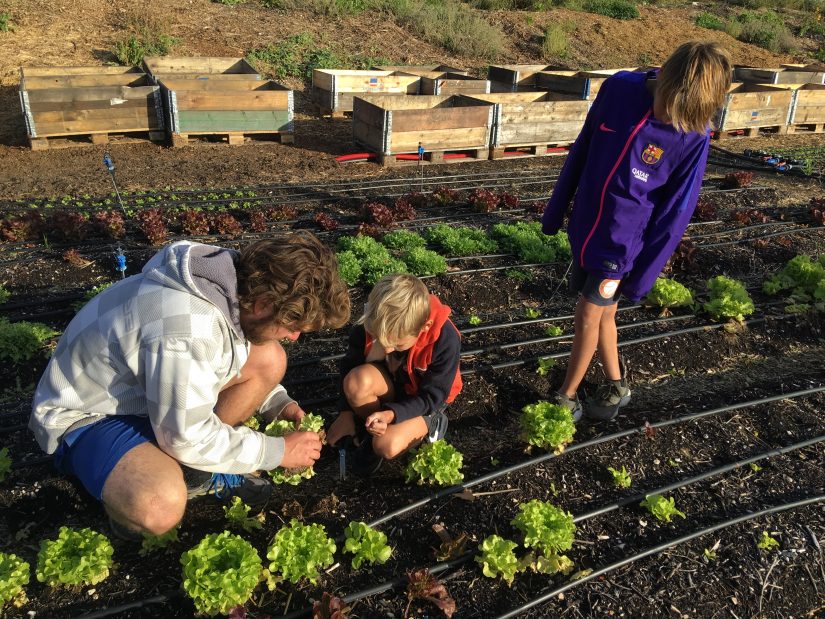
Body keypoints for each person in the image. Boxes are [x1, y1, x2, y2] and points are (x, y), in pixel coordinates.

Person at [29, 233, 350, 538]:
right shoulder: (190, 329)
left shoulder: (228, 285)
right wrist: (276, 451)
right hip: (91, 414)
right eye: (293, 326)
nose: (295, 337)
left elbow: (232, 355)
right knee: (159, 505)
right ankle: (127, 496)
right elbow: (184, 436)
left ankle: (194, 466)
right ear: (264, 304)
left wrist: (277, 403)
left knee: (270, 357)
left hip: (143, 393)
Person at [542, 41, 732, 421]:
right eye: (668, 106)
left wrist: (643, 276)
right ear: (665, 80)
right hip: (586, 227)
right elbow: (582, 149)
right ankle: (617, 384)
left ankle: (567, 394)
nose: (669, 117)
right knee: (605, 315)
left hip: (621, 244)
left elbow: (676, 211)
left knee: (587, 314)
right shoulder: (619, 90)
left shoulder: (693, 137)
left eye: (680, 116)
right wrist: (555, 210)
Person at [326, 274, 462, 476]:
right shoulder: (377, 321)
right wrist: (345, 412)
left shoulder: (445, 339)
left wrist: (390, 414)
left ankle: (432, 423)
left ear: (423, 327)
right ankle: (370, 426)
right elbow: (350, 365)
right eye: (381, 340)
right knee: (357, 382)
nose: (388, 350)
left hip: (426, 399)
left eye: (397, 344)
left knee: (385, 445)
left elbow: (431, 396)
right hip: (395, 383)